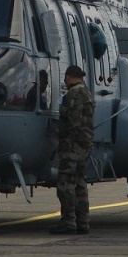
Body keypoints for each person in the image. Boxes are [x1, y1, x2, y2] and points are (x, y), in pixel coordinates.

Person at [49, 65, 95, 235]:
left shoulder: (73, 94)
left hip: (72, 146)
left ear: (68, 77)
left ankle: (68, 221)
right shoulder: (86, 92)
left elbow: (73, 122)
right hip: (84, 145)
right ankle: (83, 222)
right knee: (80, 184)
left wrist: (62, 137)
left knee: (65, 184)